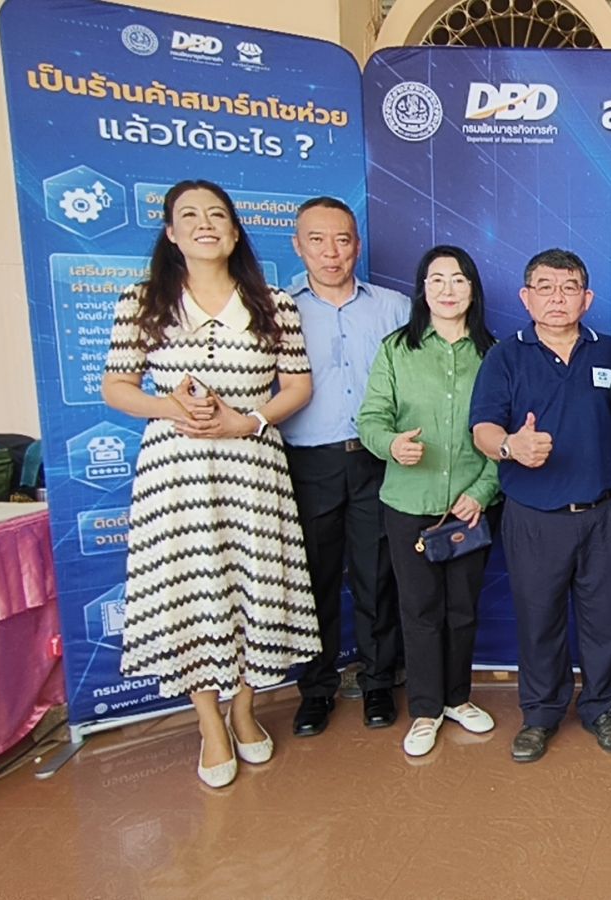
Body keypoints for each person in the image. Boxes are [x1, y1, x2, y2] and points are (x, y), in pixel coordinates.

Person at [101, 180, 318, 788]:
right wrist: (168, 407)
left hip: (252, 466)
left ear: (235, 231)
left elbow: (297, 386)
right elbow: (116, 385)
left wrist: (249, 421)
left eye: (217, 215)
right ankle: (208, 722)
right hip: (177, 474)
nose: (205, 224)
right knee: (192, 590)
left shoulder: (273, 303)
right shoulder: (142, 301)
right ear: (171, 233)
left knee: (255, 585)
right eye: (190, 216)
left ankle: (245, 709)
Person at [470, 249, 611, 763]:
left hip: (603, 512)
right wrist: (511, 446)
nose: (557, 298)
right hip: (534, 516)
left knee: (603, 622)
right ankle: (540, 714)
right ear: (525, 297)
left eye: (569, 288)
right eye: (544, 288)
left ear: (587, 298)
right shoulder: (505, 356)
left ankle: (602, 709)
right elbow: (482, 428)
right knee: (539, 620)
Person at [358, 246, 501, 757]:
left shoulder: (494, 354)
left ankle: (458, 698)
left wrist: (481, 492)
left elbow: (505, 434)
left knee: (462, 609)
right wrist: (391, 445)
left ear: (473, 290)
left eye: (458, 279)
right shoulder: (397, 349)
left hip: (469, 507)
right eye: (436, 279)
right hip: (408, 503)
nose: (447, 289)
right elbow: (371, 419)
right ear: (422, 289)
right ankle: (425, 709)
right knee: (419, 610)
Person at [281, 197, 408, 737]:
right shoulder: (277, 310)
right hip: (308, 462)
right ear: (298, 245)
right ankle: (316, 689)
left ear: (358, 244)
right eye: (317, 240)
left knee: (378, 576)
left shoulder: (394, 308)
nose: (331, 252)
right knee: (314, 578)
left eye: (342, 240)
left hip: (378, 460)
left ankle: (378, 681)